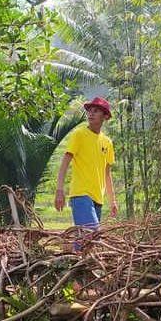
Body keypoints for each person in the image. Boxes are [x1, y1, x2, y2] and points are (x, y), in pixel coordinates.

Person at [54, 97, 118, 233]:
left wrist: (112, 201)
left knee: (86, 241)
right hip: (81, 195)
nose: (91, 114)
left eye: (96, 111)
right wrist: (59, 190)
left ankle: (74, 254)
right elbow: (65, 162)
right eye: (89, 111)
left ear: (105, 116)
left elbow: (107, 174)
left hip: (98, 199)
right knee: (92, 234)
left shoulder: (107, 142)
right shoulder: (79, 135)